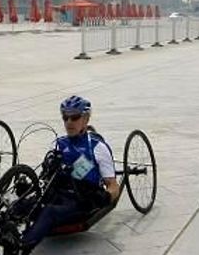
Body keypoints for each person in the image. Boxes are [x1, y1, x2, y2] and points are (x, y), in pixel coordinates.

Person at [6, 95, 119, 254]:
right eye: (65, 118)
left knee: (49, 212)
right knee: (21, 205)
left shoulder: (98, 148)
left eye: (74, 117)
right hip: (57, 193)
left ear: (85, 119)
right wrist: (31, 186)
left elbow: (114, 186)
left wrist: (105, 197)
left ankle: (21, 245)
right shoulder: (59, 143)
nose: (69, 122)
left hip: (80, 200)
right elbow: (46, 176)